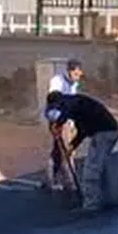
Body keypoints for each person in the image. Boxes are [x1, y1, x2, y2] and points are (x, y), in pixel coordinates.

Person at [45, 89, 118, 213]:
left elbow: (65, 111)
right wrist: (72, 146)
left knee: (91, 168)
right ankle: (107, 199)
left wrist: (58, 124)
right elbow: (82, 131)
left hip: (103, 134)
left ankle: (91, 204)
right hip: (108, 131)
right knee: (101, 168)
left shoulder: (69, 102)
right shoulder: (78, 105)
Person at [45, 59, 84, 191]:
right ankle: (70, 182)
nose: (78, 77)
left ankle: (51, 180)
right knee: (67, 151)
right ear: (70, 71)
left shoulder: (74, 84)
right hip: (58, 119)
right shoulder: (58, 81)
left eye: (79, 74)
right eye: (76, 74)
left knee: (58, 149)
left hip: (68, 120)